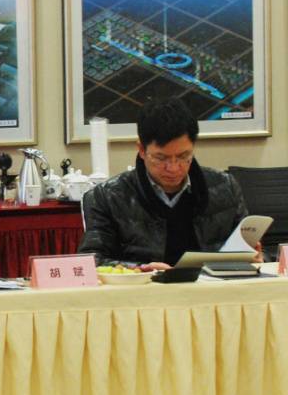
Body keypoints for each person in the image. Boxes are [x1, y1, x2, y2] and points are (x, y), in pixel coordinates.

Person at [79, 98, 250, 270]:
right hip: (145, 285)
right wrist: (139, 269)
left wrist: (253, 255)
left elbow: (252, 249)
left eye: (183, 156)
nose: (173, 168)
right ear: (141, 150)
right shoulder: (107, 197)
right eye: (161, 158)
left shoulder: (225, 187)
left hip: (212, 285)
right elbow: (91, 261)